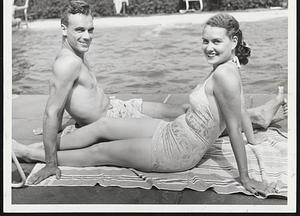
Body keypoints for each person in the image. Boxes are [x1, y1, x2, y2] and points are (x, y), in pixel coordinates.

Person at [14, 12, 287, 196]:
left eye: (216, 41)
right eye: (205, 41)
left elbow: (234, 120)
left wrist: (245, 177)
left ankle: (30, 153)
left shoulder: (225, 75)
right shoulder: (229, 65)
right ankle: (46, 148)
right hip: (174, 131)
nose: (208, 48)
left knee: (101, 152)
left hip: (178, 151)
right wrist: (253, 139)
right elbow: (239, 109)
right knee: (105, 124)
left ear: (234, 40)